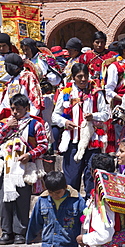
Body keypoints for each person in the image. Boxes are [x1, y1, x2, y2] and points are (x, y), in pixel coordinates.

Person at [52, 63, 109, 198]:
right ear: (73, 77)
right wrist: (65, 122)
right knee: (71, 178)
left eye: (85, 76)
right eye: (79, 76)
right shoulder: (66, 92)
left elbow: (106, 114)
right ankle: (72, 210)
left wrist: (93, 116)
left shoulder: (96, 91)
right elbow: (55, 116)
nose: (83, 79)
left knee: (91, 177)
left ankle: (90, 208)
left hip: (92, 141)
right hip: (73, 140)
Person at [0, 94, 48, 245]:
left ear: (26, 108)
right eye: (12, 108)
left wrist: (29, 154)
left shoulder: (35, 124)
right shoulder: (4, 124)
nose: (14, 112)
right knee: (4, 200)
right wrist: (8, 127)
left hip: (25, 168)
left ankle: (20, 231)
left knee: (22, 200)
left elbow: (44, 145)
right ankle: (7, 232)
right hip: (6, 168)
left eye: (18, 109)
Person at [26, 171, 86, 246]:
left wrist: (85, 238)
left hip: (69, 244)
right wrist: (30, 239)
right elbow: (35, 221)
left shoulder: (77, 201)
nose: (54, 195)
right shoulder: (42, 200)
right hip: (48, 244)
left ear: (65, 187)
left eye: (58, 192)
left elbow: (85, 221)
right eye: (51, 192)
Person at [105, 37, 125, 104]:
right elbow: (109, 90)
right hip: (121, 103)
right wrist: (123, 99)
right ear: (124, 51)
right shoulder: (114, 67)